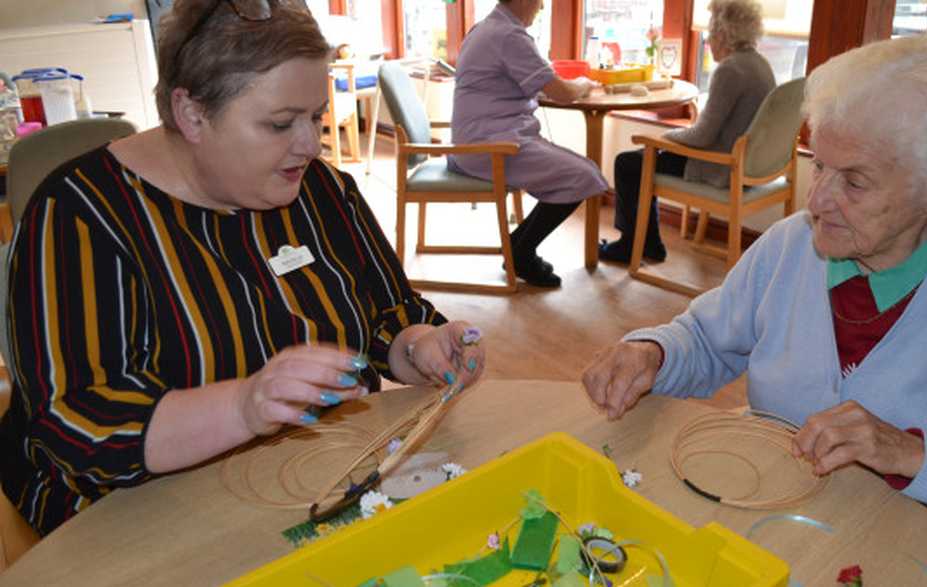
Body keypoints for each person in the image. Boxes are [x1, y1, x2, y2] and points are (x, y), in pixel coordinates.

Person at [0, 0, 485, 538]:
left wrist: (419, 346)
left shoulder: (321, 191)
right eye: (280, 123)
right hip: (135, 516)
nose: (309, 144)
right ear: (191, 115)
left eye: (316, 117)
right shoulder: (81, 215)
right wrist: (244, 406)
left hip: (310, 477)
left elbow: (384, 316)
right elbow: (79, 425)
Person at [582, 32, 927, 576]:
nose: (817, 199)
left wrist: (911, 455)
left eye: (854, 181)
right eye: (820, 164)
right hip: (780, 539)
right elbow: (707, 339)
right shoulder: (790, 246)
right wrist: (653, 353)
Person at [599, 0, 775, 263]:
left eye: (712, 34)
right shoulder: (760, 65)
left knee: (629, 162)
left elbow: (701, 136)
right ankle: (649, 243)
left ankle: (632, 245)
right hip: (751, 166)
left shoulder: (730, 70)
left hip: (721, 166)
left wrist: (661, 140)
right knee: (643, 160)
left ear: (724, 34)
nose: (708, 41)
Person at [449, 0, 608, 288]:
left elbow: (510, 85)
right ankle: (520, 252)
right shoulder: (509, 36)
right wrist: (585, 82)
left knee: (579, 171)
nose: (542, 8)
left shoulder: (484, 28)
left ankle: (516, 245)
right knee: (583, 175)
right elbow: (563, 93)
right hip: (490, 147)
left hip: (477, 141)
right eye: (539, 1)